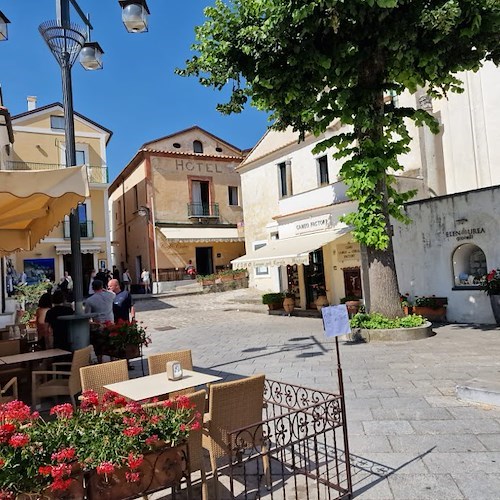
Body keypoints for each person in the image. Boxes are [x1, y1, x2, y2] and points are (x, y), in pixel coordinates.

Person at [84, 280, 115, 363]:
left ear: (93, 288)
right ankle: (113, 361)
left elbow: (87, 315)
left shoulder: (90, 300)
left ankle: (100, 362)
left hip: (99, 325)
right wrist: (105, 289)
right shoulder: (110, 295)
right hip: (111, 324)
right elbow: (112, 293)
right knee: (112, 345)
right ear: (102, 286)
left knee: (98, 346)